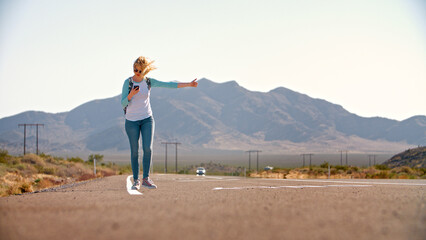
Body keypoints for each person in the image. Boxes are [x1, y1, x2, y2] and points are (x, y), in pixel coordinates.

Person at [121, 56, 198, 190]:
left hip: (147, 119)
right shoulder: (128, 83)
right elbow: (123, 103)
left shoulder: (149, 82)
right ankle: (136, 181)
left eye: (140, 70)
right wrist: (130, 94)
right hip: (131, 121)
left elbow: (169, 85)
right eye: (135, 70)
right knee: (134, 151)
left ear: (144, 71)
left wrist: (189, 84)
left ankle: (146, 179)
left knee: (147, 148)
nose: (137, 73)